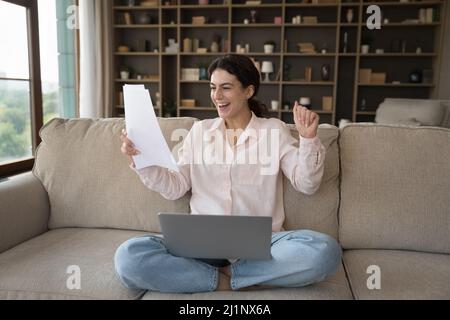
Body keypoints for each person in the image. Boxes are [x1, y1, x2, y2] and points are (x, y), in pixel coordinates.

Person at [115, 54, 341, 293]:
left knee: (324, 251)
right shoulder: (199, 132)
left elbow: (307, 184)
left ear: (248, 91)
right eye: (213, 88)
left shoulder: (273, 130)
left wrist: (308, 139)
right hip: (201, 242)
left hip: (262, 244)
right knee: (129, 257)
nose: (217, 96)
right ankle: (229, 280)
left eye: (226, 88)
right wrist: (142, 159)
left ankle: (224, 276)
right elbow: (176, 187)